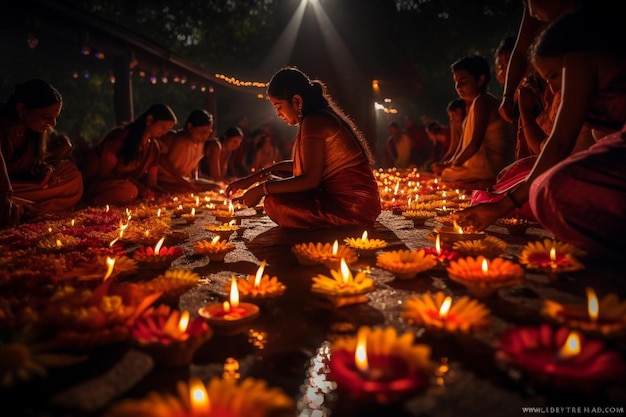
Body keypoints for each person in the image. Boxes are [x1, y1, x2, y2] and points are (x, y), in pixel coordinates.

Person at [456, 6, 626, 260]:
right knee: (522, 177)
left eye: (554, 76)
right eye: (547, 80)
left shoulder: (578, 56)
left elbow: (558, 145)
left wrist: (502, 207)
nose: (554, 86)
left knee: (547, 189)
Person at [226, 66, 381, 229]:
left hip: (353, 206)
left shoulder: (314, 122)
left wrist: (262, 189)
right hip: (358, 202)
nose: (278, 114)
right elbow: (302, 167)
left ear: (297, 101)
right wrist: (252, 180)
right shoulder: (316, 118)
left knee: (274, 202)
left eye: (279, 107)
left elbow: (310, 179)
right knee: (277, 188)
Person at [0, 79, 83, 218]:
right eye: (47, 117)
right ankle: (25, 207)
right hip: (6, 191)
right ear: (22, 109)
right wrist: (5, 195)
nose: (53, 123)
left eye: (55, 117)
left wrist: (44, 169)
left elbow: (51, 153)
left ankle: (28, 207)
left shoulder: (36, 132)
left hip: (22, 188)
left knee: (71, 173)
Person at [438, 55, 516, 189]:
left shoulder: (483, 102)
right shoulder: (473, 104)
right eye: (456, 82)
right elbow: (462, 144)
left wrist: (453, 165)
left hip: (493, 167)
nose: (458, 86)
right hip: (483, 163)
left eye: (464, 81)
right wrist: (449, 163)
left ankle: (484, 183)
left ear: (480, 80)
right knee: (447, 172)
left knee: (447, 176)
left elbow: (475, 144)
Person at [81, 103, 177, 206]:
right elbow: (105, 173)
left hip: (128, 186)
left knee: (163, 192)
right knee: (130, 190)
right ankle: (89, 205)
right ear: (150, 120)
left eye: (168, 129)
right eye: (163, 127)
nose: (164, 132)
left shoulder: (154, 147)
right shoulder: (120, 137)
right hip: (101, 185)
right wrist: (138, 187)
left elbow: (151, 183)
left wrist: (161, 194)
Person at [157, 109, 218, 193]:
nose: (205, 136)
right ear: (190, 127)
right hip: (167, 180)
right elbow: (160, 159)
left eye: (208, 133)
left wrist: (193, 180)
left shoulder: (200, 144)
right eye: (202, 132)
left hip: (186, 181)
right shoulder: (172, 138)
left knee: (215, 186)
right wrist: (181, 180)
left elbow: (194, 168)